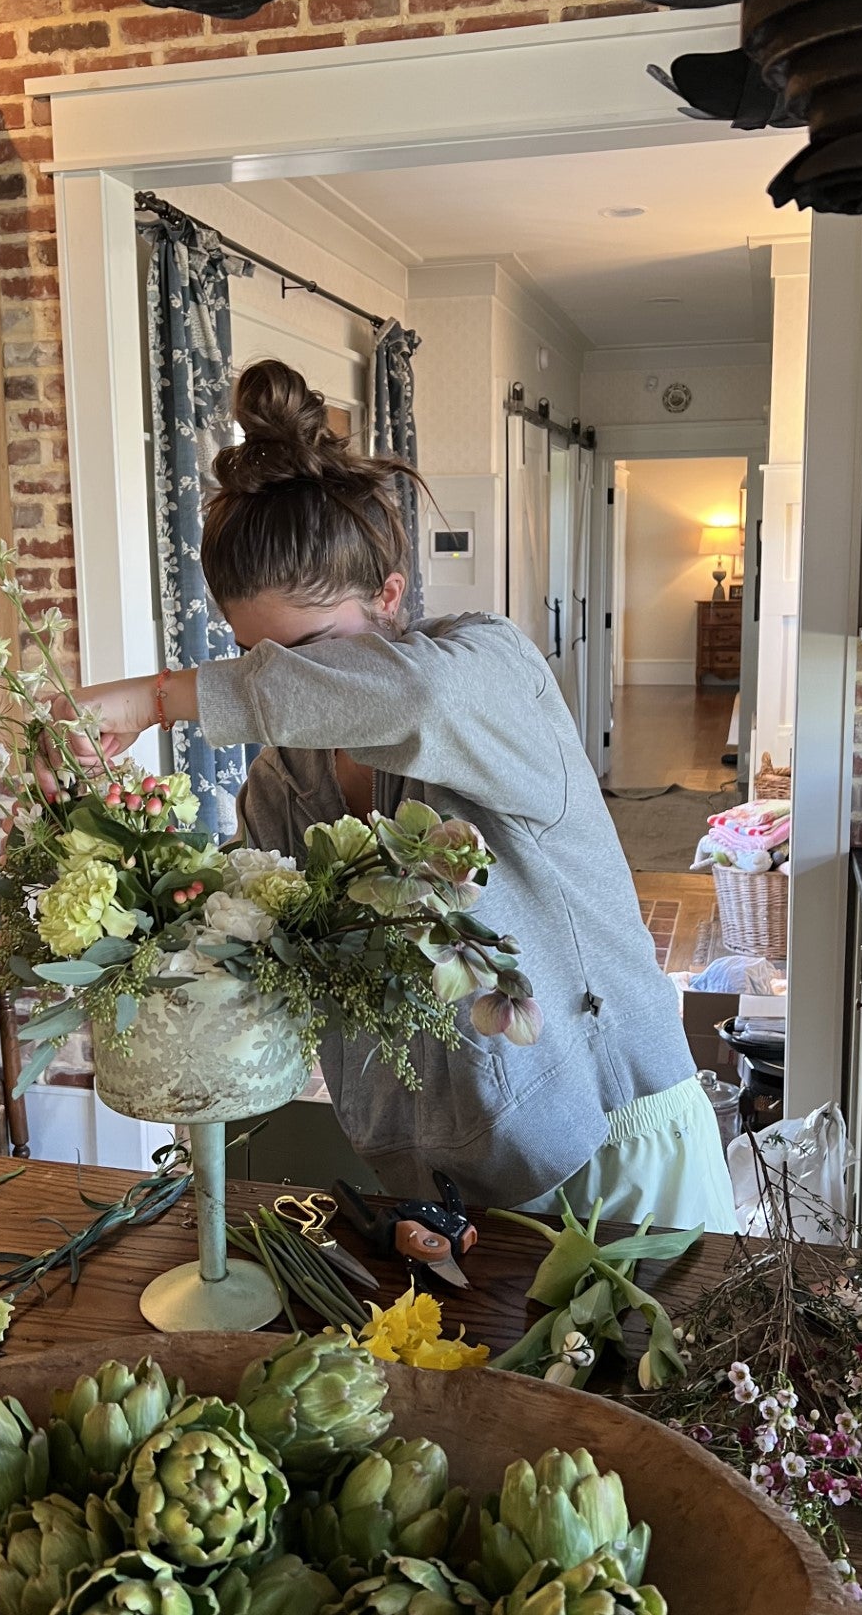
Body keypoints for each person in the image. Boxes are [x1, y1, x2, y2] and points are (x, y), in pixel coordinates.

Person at [61, 359, 736, 1231]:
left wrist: (161, 697)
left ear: (388, 598)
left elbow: (416, 699)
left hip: (610, 1138)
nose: (280, 688)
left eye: (304, 654)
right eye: (251, 656)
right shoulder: (283, 784)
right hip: (439, 1176)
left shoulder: (488, 675)